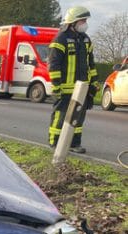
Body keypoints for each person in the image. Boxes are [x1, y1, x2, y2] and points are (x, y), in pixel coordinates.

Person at [47, 6, 98, 154]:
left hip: (82, 88)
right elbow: (53, 66)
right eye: (82, 20)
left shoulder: (86, 40)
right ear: (73, 22)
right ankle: (55, 143)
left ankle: (74, 143)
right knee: (60, 116)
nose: (85, 23)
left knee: (78, 118)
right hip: (64, 88)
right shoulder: (60, 39)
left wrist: (94, 83)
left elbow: (91, 65)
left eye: (85, 20)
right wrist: (56, 87)